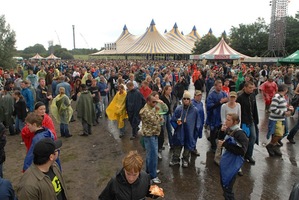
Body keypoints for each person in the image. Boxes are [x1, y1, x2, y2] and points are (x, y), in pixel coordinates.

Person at [218, 113, 248, 200]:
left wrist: (225, 144)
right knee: (225, 186)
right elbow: (220, 140)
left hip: (232, 165)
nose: (226, 121)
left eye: (228, 120)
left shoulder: (240, 134)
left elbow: (242, 151)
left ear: (235, 122)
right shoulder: (228, 129)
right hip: (226, 162)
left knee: (227, 188)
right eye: (226, 119)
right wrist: (222, 131)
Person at [169, 91, 201, 168]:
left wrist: (196, 133)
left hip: (189, 132)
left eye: (188, 99)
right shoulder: (179, 109)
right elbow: (173, 119)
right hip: (180, 131)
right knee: (177, 145)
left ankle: (185, 159)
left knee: (188, 147)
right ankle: (175, 159)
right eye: (184, 98)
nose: (186, 100)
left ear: (190, 100)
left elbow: (198, 123)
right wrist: (177, 123)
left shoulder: (195, 110)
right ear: (182, 99)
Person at [139, 93, 164, 184]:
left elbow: (164, 112)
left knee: (150, 155)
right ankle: (153, 176)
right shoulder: (146, 111)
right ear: (148, 101)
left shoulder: (152, 108)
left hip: (154, 134)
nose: (155, 104)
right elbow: (157, 121)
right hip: (149, 136)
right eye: (153, 102)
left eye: (156, 102)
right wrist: (159, 113)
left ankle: (149, 171)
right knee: (153, 156)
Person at [266, 84, 293, 156]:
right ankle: (270, 145)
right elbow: (273, 108)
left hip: (281, 119)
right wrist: (284, 113)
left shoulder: (282, 97)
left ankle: (274, 146)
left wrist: (288, 109)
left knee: (281, 134)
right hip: (276, 119)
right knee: (279, 134)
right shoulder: (277, 97)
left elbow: (281, 107)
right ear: (285, 90)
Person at [236, 81, 259, 164]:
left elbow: (255, 108)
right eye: (250, 88)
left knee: (253, 137)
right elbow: (238, 111)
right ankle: (242, 154)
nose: (251, 89)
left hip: (251, 121)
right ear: (245, 88)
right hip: (243, 122)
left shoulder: (253, 96)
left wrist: (256, 120)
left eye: (252, 88)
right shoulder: (240, 98)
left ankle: (249, 155)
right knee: (244, 140)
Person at [206, 80, 229, 151]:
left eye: (221, 86)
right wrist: (220, 102)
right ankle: (213, 146)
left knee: (221, 130)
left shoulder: (223, 94)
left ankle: (218, 142)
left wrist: (227, 100)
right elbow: (209, 106)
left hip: (221, 116)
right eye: (219, 86)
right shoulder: (211, 95)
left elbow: (227, 101)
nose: (220, 87)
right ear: (215, 86)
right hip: (214, 116)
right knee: (213, 130)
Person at [151, 91, 168, 159]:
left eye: (158, 97)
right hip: (155, 124)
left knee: (161, 137)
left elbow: (166, 110)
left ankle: (160, 147)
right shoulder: (152, 105)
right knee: (156, 138)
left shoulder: (160, 103)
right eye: (156, 97)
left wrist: (163, 103)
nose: (157, 99)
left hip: (161, 123)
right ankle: (157, 151)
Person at [191, 90, 205, 156]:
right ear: (195, 96)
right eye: (198, 95)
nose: (199, 97)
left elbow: (202, 113)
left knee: (196, 136)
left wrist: (203, 121)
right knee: (192, 137)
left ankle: (193, 148)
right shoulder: (192, 103)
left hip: (200, 123)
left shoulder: (201, 103)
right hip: (193, 123)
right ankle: (191, 149)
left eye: (200, 95)